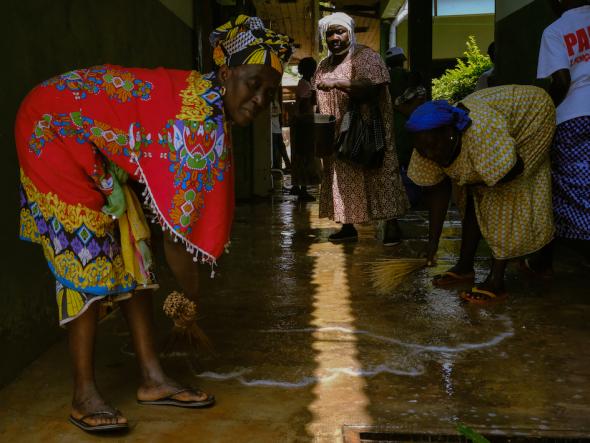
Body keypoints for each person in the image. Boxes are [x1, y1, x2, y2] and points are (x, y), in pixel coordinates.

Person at [15, 15, 292, 433]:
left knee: (134, 252)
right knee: (87, 258)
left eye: (269, 93)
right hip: (51, 129)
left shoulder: (209, 105)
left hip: (91, 141)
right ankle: (83, 393)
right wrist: (191, 297)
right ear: (225, 73)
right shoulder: (195, 119)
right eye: (253, 84)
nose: (259, 99)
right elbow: (177, 237)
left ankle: (152, 379)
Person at [406, 85, 556, 302]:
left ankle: (497, 280)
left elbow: (510, 172)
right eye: (422, 150)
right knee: (473, 196)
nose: (429, 154)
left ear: (451, 133)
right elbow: (437, 191)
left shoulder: (481, 132)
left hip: (533, 116)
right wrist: (432, 244)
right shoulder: (426, 140)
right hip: (500, 123)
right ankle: (465, 267)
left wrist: (481, 181)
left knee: (501, 194)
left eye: (433, 146)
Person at [313, 12, 408, 245]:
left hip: (368, 130)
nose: (334, 38)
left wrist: (337, 83)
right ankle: (347, 226)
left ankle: (392, 225)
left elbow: (371, 88)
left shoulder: (366, 57)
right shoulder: (323, 65)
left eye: (340, 32)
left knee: (378, 174)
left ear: (350, 33)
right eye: (330, 34)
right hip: (338, 136)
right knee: (343, 180)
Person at [529, 0, 590, 272]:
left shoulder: (556, 30)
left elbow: (561, 82)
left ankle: (546, 260)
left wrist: (542, 114)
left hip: (574, 117)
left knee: (571, 191)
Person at [385, 46, 425, 207]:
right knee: (412, 165)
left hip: (390, 126)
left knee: (392, 167)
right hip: (411, 127)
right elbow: (415, 107)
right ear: (402, 61)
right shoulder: (411, 79)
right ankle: (414, 198)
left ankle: (394, 200)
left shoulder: (385, 80)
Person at [290, 57, 322, 201]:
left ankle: (297, 185)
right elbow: (304, 106)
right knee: (305, 155)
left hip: (303, 121)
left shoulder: (306, 83)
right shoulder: (304, 84)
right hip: (304, 122)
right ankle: (302, 188)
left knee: (301, 154)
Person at [271, 96, 291, 170]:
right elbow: (279, 116)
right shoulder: (276, 103)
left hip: (273, 131)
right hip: (278, 129)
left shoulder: (268, 104)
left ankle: (277, 167)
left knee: (275, 150)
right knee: (282, 149)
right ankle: (288, 165)